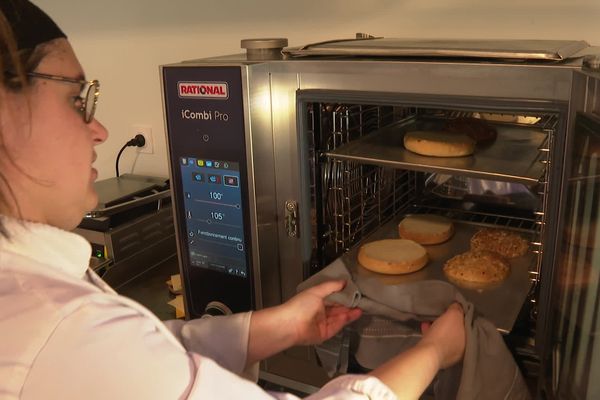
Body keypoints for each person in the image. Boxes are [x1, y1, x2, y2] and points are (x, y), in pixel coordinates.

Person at [0, 1, 466, 399]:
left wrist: (274, 327)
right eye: (77, 99)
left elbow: (151, 354)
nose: (98, 129)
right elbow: (113, 352)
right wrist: (433, 353)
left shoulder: (41, 303)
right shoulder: (59, 327)